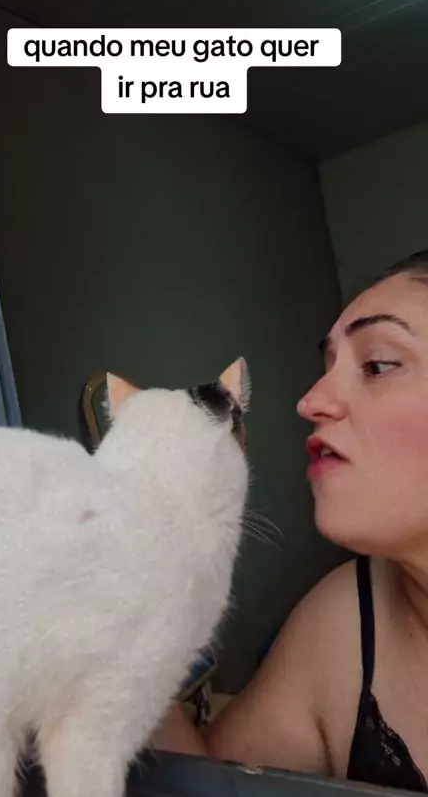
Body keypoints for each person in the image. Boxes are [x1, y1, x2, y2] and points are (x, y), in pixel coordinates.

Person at [152, 250, 428, 793]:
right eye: (327, 368)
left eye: (377, 365)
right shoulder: (342, 621)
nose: (310, 401)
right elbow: (217, 787)